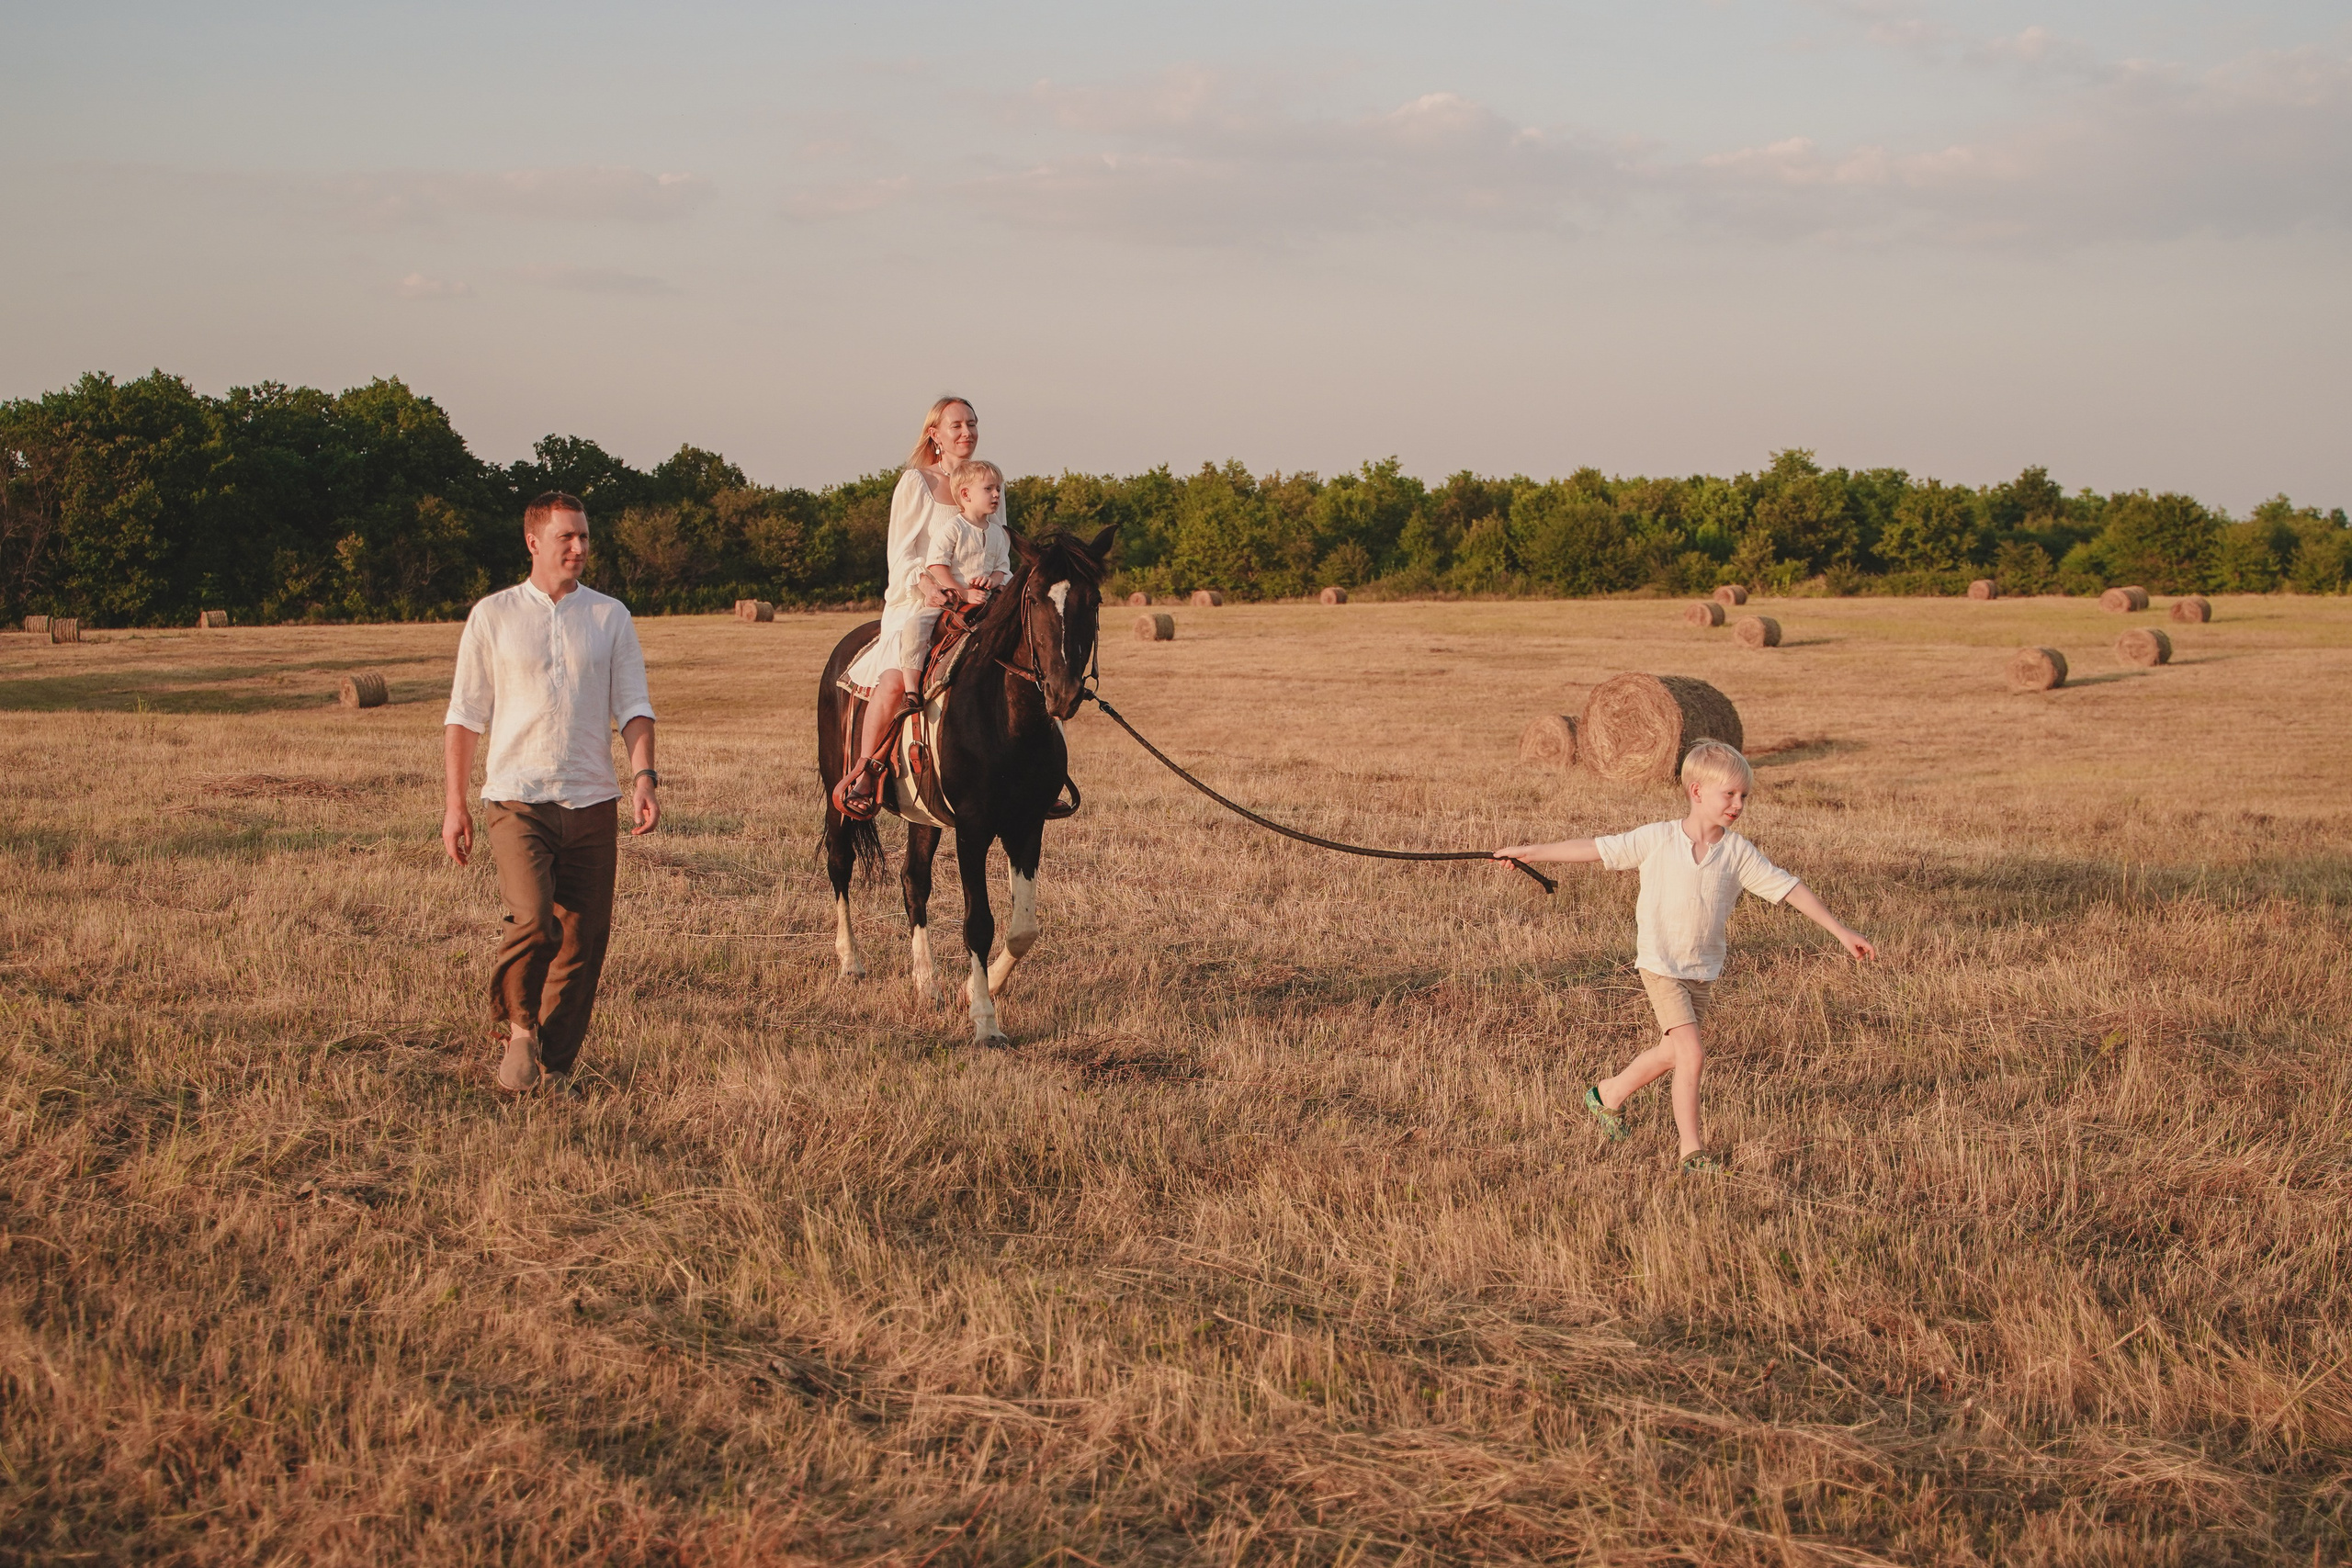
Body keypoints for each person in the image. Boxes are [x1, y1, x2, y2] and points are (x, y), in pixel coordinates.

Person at [1493, 741, 1873, 1172]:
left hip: (1702, 970)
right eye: (1729, 794)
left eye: (1743, 796)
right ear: (1696, 792)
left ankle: (1607, 1095)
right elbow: (1597, 847)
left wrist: (1841, 932)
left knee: (1672, 1052)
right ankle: (1692, 1152)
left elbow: (1790, 888)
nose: (1738, 804)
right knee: (1692, 1053)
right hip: (1661, 965)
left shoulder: (1737, 853)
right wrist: (1532, 852)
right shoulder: (1657, 838)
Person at [442, 491, 659, 1096]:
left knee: (583, 943)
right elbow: (464, 717)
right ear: (533, 541)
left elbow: (635, 707)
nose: (580, 547)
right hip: (517, 798)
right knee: (535, 919)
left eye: (585, 536)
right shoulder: (494, 615)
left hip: (593, 800)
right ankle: (517, 1024)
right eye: (567, 537)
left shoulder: (609, 615)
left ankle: (554, 1069)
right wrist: (455, 804)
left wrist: (644, 776)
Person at [832, 396, 1007, 819]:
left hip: (978, 601)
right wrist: (929, 585)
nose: (967, 433)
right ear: (935, 434)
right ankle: (867, 770)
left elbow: (997, 545)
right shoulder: (917, 483)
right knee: (894, 680)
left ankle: (1037, 772)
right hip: (921, 598)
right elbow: (902, 552)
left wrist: (989, 584)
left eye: (973, 424)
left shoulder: (989, 483)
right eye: (957, 426)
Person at [922, 458, 1012, 608]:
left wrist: (992, 581)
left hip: (987, 602)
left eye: (998, 488)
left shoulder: (997, 533)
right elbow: (936, 565)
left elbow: (1001, 568)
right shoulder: (954, 528)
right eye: (988, 489)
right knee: (916, 627)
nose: (996, 494)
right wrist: (963, 593)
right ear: (966, 494)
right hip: (950, 602)